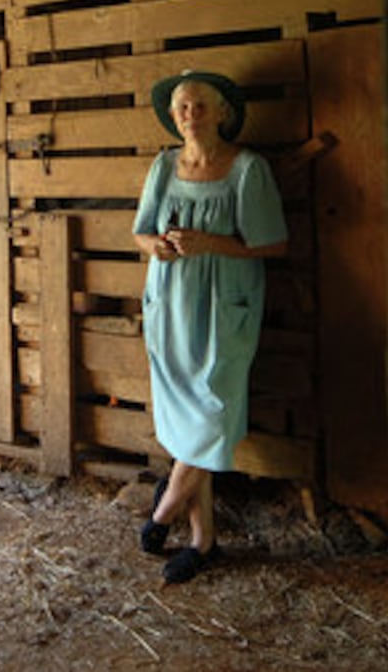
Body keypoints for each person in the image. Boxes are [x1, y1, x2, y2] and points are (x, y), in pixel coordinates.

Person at [132, 70, 288, 584]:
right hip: (171, 302)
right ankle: (204, 542)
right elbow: (141, 232)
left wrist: (208, 243)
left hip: (226, 307)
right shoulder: (162, 165)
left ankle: (163, 511)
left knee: (211, 412)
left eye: (200, 105)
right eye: (181, 107)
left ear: (223, 112)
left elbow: (272, 245)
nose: (190, 114)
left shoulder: (248, 169)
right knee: (183, 421)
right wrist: (155, 246)